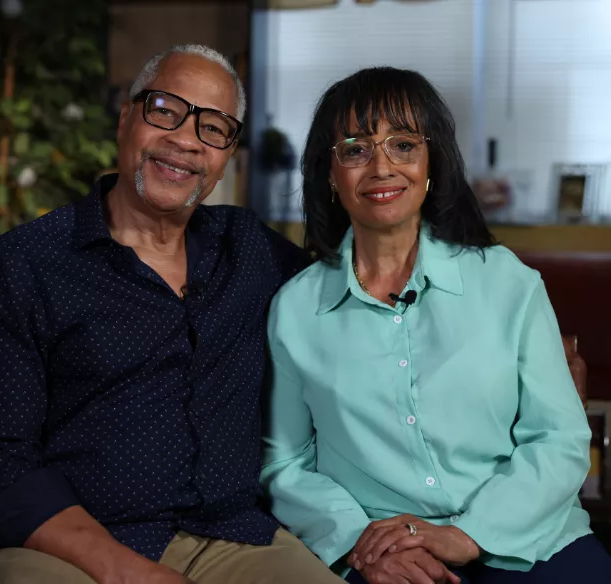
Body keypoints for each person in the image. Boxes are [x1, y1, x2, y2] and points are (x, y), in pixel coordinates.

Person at [0, 44, 346, 584]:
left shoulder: (251, 251)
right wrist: (123, 570)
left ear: (227, 153)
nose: (185, 140)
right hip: (66, 546)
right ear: (126, 117)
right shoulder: (25, 265)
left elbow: (359, 296)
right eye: (165, 109)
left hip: (235, 538)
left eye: (214, 127)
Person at [259, 66, 611, 584]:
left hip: (532, 540)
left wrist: (466, 536)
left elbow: (557, 437)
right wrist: (358, 539)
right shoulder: (294, 309)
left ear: (431, 165)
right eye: (355, 149)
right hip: (381, 551)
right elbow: (284, 465)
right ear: (330, 174)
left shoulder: (508, 283)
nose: (381, 166)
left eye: (403, 145)